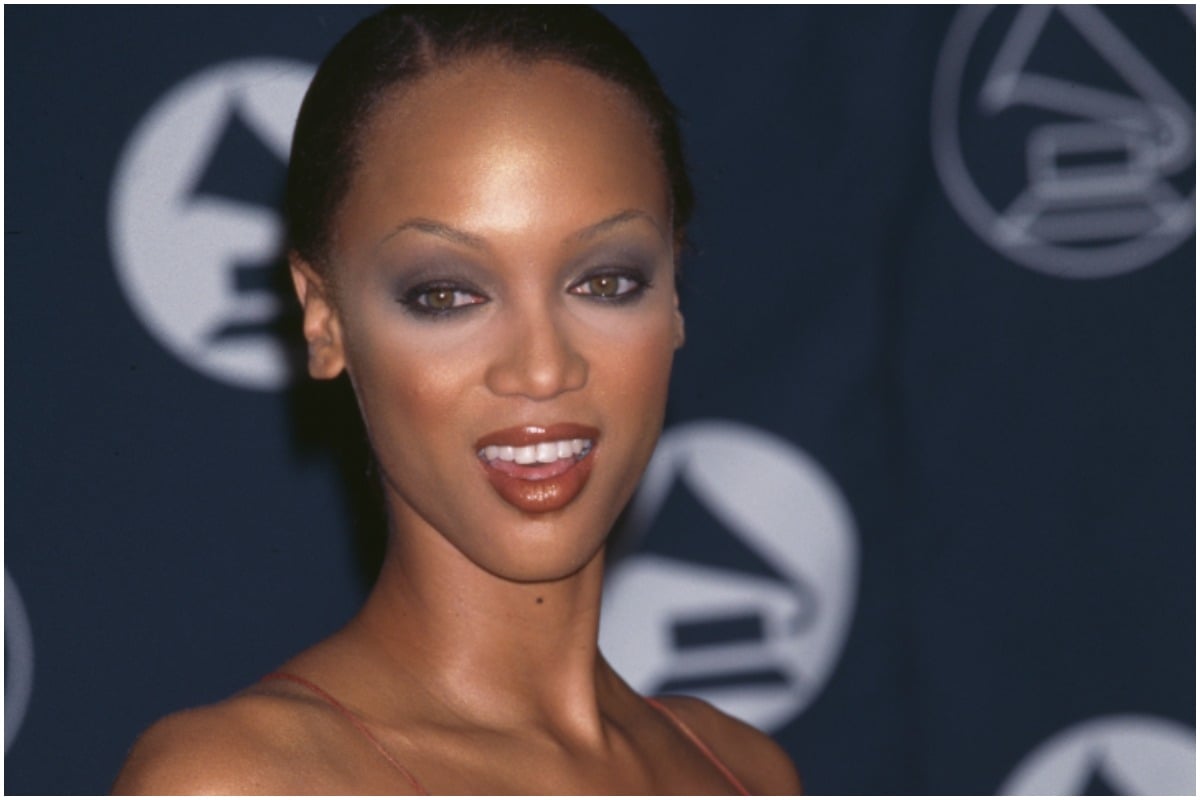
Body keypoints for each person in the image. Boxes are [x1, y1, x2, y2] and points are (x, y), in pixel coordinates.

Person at [113, 6, 802, 794]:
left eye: (605, 281)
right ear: (325, 317)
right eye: (446, 294)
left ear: (673, 290)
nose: (541, 370)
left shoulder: (744, 773)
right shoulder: (238, 782)